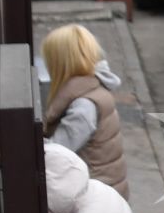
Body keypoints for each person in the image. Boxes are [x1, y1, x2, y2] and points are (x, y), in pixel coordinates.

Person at [43, 23, 130, 201]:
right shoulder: (95, 86)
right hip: (106, 191)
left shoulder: (83, 107)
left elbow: (55, 152)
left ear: (60, 64)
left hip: (92, 199)